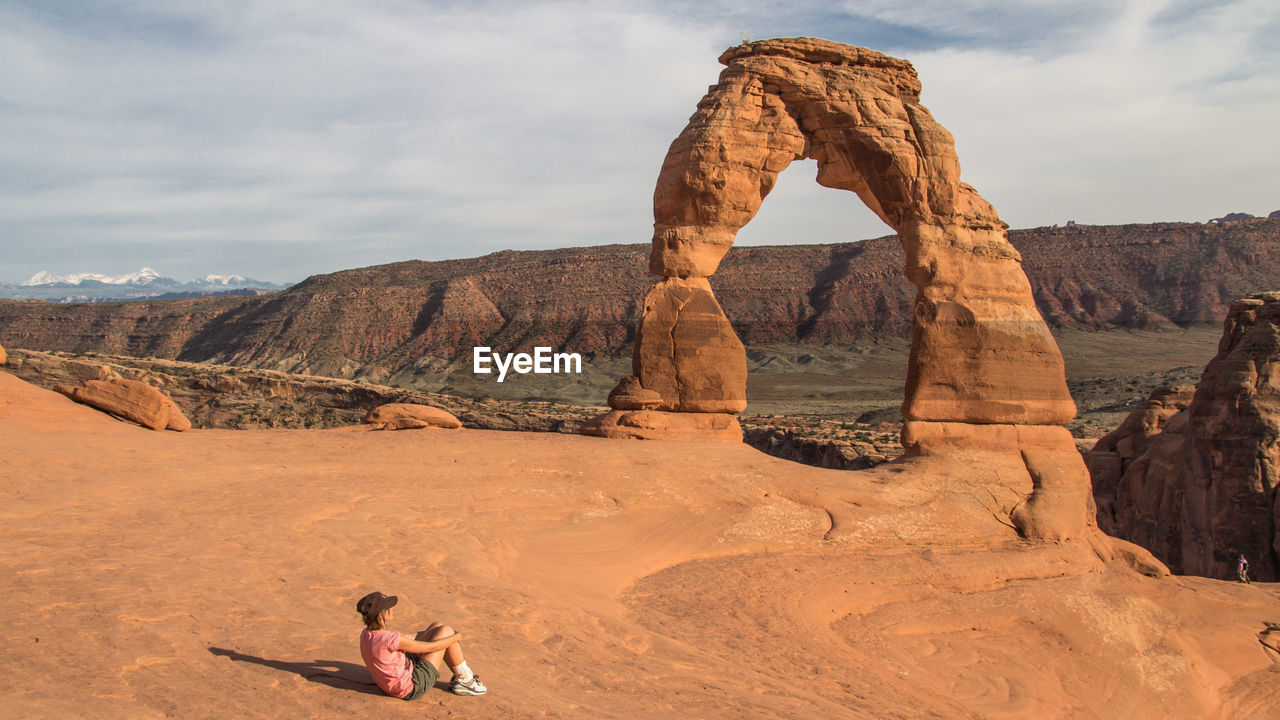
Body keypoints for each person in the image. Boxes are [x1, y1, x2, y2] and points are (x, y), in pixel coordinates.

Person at [356, 591, 487, 699]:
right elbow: (432, 648)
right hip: (411, 687)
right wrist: (456, 637)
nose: (392, 610)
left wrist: (435, 633)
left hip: (394, 681)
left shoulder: (367, 634)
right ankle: (466, 680)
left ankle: (462, 675)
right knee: (446, 632)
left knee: (438, 627)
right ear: (381, 616)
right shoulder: (388, 639)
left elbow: (408, 638)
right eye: (388, 608)